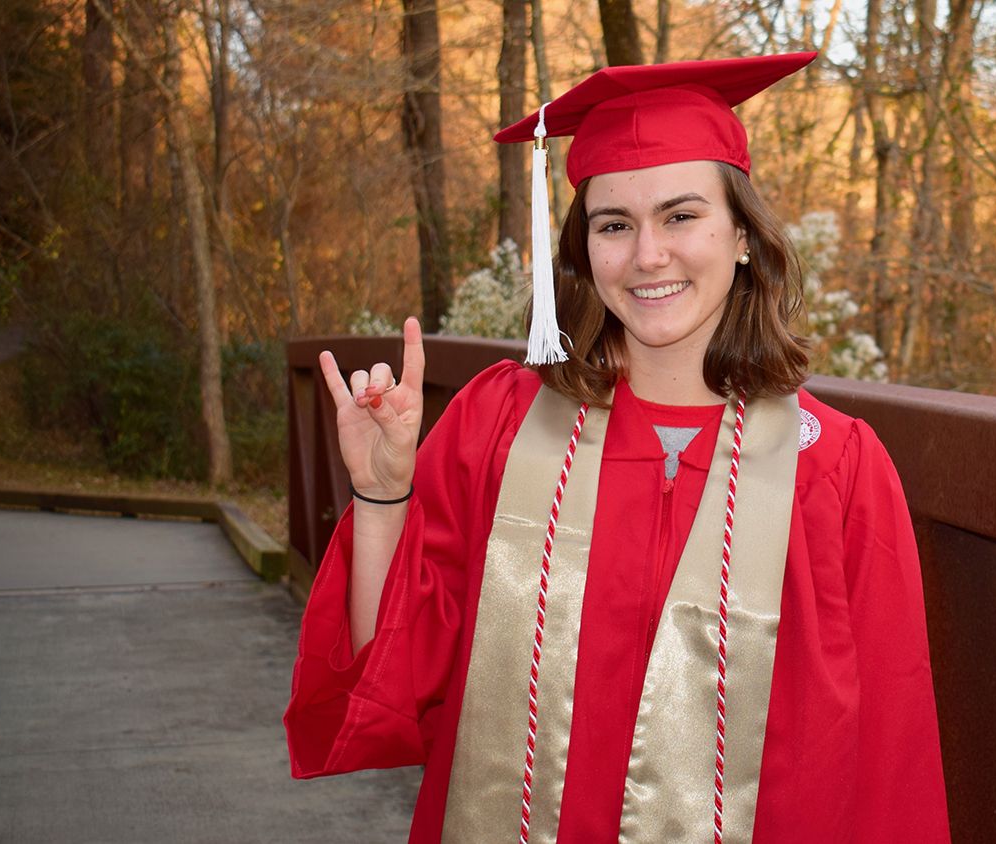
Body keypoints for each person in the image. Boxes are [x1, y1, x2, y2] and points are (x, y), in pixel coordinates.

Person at [284, 52, 951, 843]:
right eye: (614, 225)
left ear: (741, 234)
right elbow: (396, 672)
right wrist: (383, 493)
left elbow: (889, 754)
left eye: (680, 216)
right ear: (582, 249)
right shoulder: (500, 425)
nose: (647, 256)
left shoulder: (833, 467)